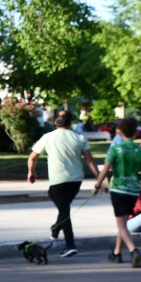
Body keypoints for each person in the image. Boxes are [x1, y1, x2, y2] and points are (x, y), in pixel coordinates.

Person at [27, 110, 101, 257]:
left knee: (64, 210)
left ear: (56, 122)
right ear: (70, 122)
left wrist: (31, 172)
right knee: (64, 208)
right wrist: (98, 178)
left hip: (58, 180)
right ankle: (55, 230)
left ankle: (70, 244)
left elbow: (32, 157)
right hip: (76, 180)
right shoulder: (79, 138)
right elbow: (89, 160)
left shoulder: (48, 137)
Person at [94, 117, 141, 268]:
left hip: (119, 188)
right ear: (135, 132)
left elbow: (105, 169)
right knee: (123, 223)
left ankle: (134, 251)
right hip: (133, 190)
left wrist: (98, 184)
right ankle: (117, 253)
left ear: (120, 131)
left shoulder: (115, 149)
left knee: (121, 225)